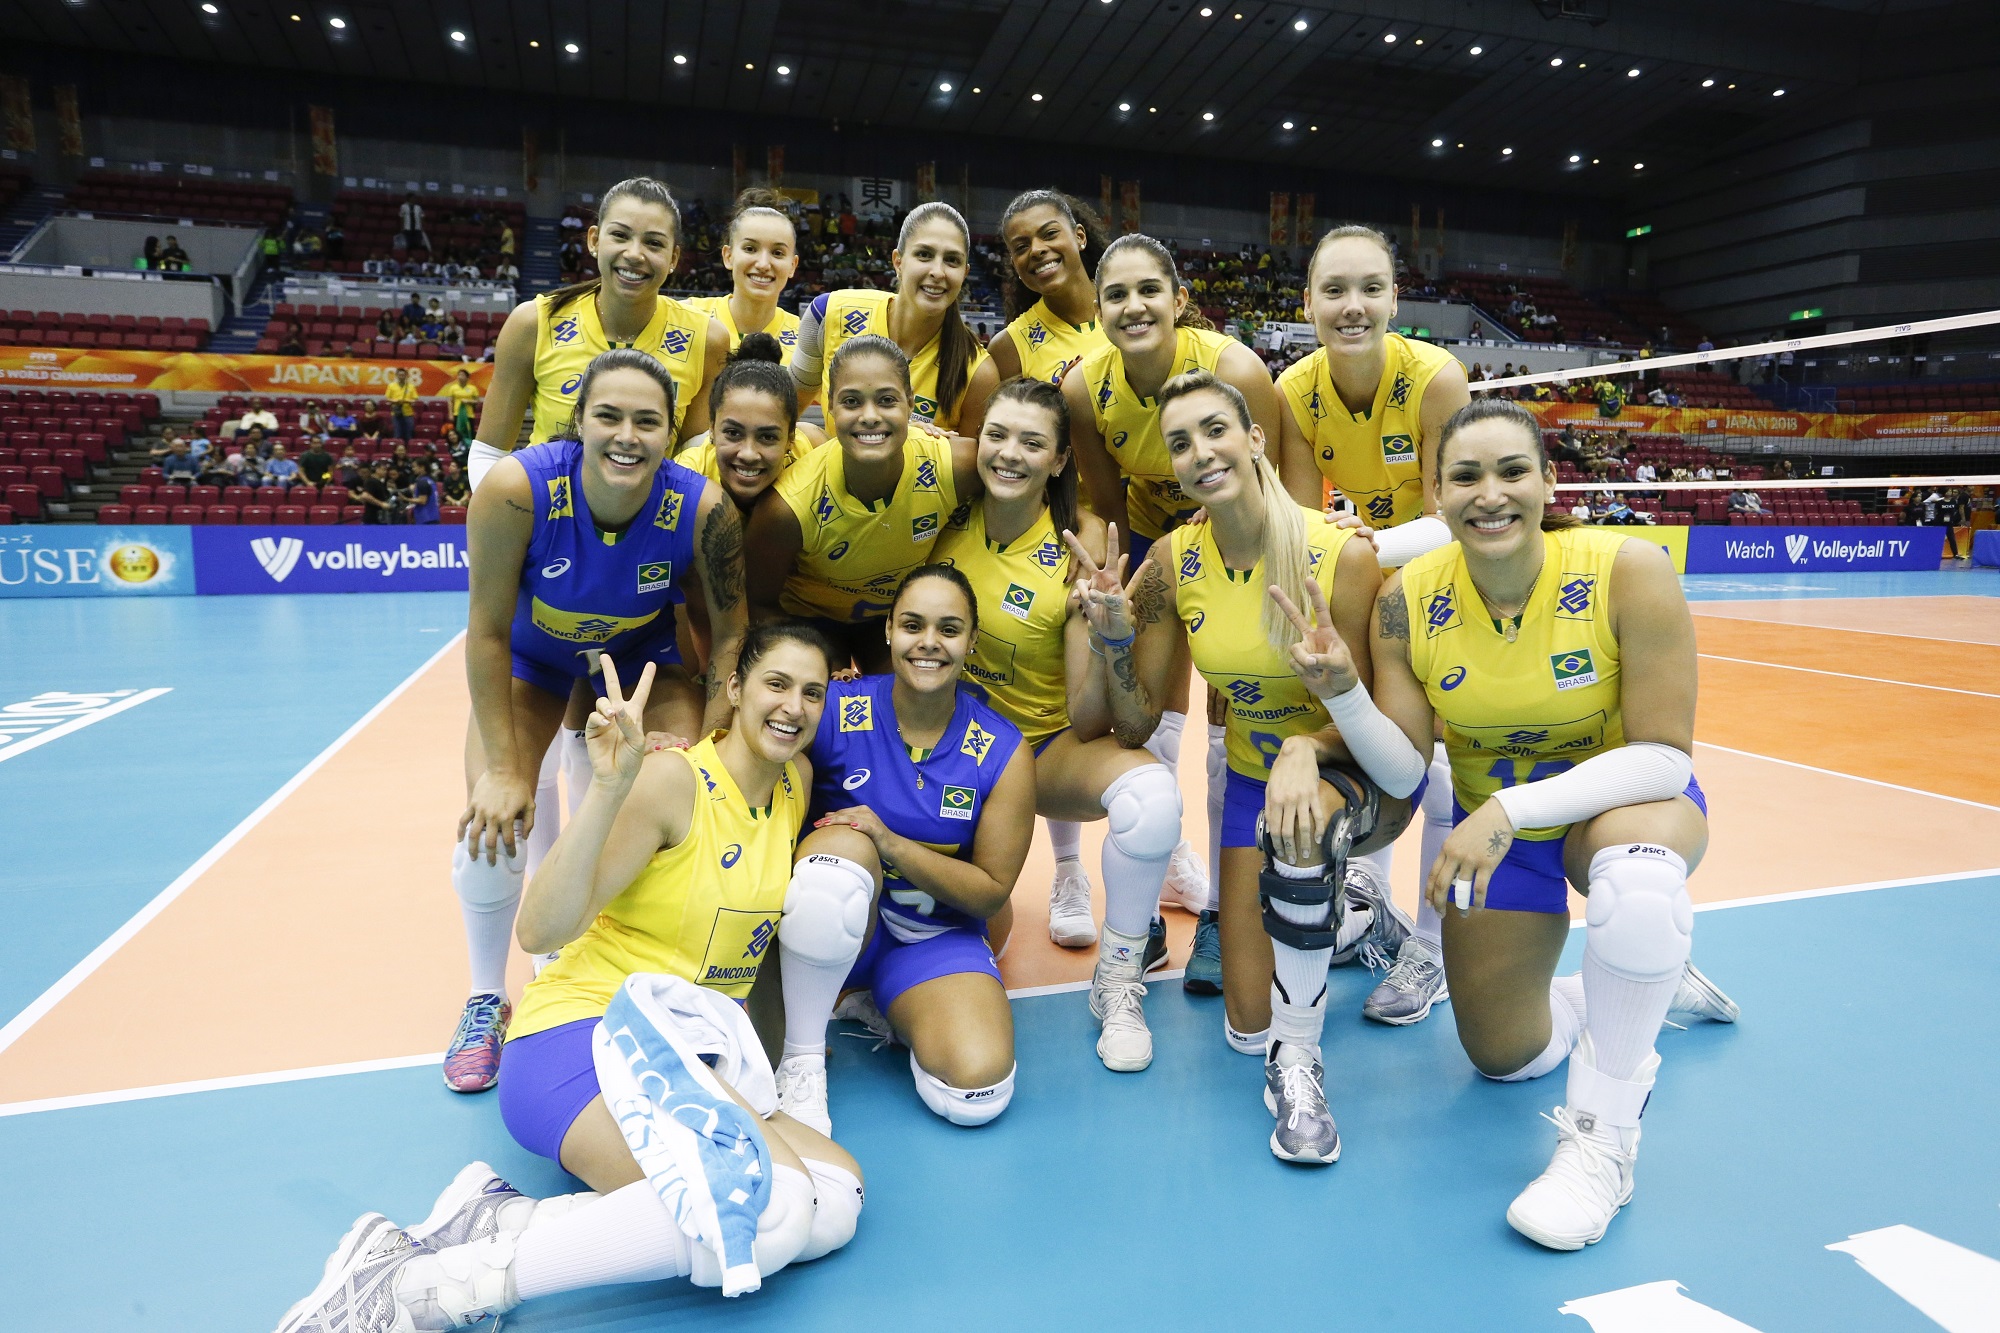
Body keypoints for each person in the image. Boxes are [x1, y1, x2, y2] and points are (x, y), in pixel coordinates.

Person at [276, 635, 862, 1330]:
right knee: (772, 1211)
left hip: (685, 1055)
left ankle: (502, 1219)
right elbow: (539, 930)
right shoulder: (673, 782)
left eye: (812, 691)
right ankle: (420, 1288)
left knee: (835, 1199)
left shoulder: (790, 787)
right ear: (733, 688)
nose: (793, 706)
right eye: (776, 683)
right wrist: (610, 789)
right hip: (583, 1038)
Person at [1305, 397, 1737, 1245]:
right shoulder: (1404, 603)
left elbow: (1664, 758)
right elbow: (1399, 768)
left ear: (1548, 481)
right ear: (1437, 494)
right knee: (1505, 1056)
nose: (1489, 493)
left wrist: (1508, 808)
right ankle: (1642, 981)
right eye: (1465, 475)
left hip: (1615, 804)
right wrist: (1337, 696)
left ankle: (1603, 1142)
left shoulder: (1628, 570)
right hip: (1496, 832)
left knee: (1638, 886)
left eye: (1512, 471)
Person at [1113, 368, 1412, 1163]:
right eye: (1179, 443)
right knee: (1244, 1024)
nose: (1200, 452)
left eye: (1215, 430)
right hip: (1251, 778)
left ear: (1253, 438)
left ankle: (1301, 1061)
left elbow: (1392, 730)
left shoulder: (1338, 555)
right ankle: (1351, 919)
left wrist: (1309, 749)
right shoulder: (1175, 562)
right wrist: (1111, 633)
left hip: (1351, 771)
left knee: (1303, 822)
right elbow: (1133, 705)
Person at [446, 348, 748, 1094]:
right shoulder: (518, 489)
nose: (627, 434)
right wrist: (508, 768)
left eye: (648, 421)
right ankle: (487, 996)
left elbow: (731, 633)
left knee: (668, 790)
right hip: (533, 663)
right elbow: (484, 630)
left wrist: (707, 745)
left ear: (673, 432)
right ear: (578, 420)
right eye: (608, 415)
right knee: (494, 815)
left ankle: (607, 968)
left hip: (642, 664)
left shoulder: (702, 508)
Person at [935, 376, 1186, 1070]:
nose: (1009, 453)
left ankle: (1119, 979)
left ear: (1057, 460)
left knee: (1154, 795)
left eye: (1032, 442)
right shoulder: (941, 515)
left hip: (1041, 750)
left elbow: (1087, 715)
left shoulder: (1080, 549)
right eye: (997, 435)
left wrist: (1110, 636)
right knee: (983, 935)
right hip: (946, 754)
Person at [1061, 233, 1283, 983]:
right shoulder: (1084, 388)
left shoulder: (1236, 369)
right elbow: (1100, 500)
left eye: (1149, 289)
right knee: (1141, 715)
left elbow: (1278, 487)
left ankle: (1222, 914)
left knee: (1235, 718)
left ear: (1181, 300)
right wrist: (1101, 570)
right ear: (1096, 312)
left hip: (1239, 540)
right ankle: (1148, 915)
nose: (1134, 306)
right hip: (1158, 546)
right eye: (1116, 295)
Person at [1273, 224, 1472, 1025]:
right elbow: (1293, 520)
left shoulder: (1436, 379)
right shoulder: (1292, 389)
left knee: (1448, 765)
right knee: (1375, 741)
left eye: (1370, 288)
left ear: (1395, 297)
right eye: (1334, 290)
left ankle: (1433, 947)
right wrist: (1352, 563)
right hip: (1375, 581)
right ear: (1309, 302)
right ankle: (1372, 895)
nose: (1352, 306)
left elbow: (1454, 514)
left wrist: (1364, 549)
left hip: (1450, 576)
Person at [771, 565, 1036, 1134]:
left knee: (978, 1092)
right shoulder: (834, 710)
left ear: (971, 640)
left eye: (949, 629)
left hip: (930, 933)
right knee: (843, 853)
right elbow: (750, 751)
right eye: (913, 625)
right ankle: (803, 1058)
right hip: (824, 923)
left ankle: (881, 996)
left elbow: (990, 893)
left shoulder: (1003, 751)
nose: (929, 643)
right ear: (888, 630)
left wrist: (891, 842)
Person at [473, 178, 726, 495]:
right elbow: (489, 453)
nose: (634, 254)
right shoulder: (532, 323)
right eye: (620, 235)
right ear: (594, 240)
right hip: (548, 529)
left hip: (652, 532)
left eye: (654, 243)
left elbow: (694, 454)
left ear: (674, 258)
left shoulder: (707, 338)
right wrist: (509, 520)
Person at [748, 335, 975, 672]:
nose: (870, 416)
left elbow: (1031, 474)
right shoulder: (785, 510)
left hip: (895, 618)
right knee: (831, 701)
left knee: (914, 691)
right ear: (829, 407)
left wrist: (1078, 520)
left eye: (886, 400)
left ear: (910, 405)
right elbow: (759, 604)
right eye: (852, 401)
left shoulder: (957, 465)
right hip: (810, 621)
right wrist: (807, 659)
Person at [789, 202, 989, 431]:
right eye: (924, 254)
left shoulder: (978, 371)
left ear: (965, 273)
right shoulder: (828, 313)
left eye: (952, 260)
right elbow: (784, 416)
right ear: (898, 262)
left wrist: (920, 443)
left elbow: (972, 460)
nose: (937, 271)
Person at [956, 190, 1110, 440]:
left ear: (1080, 237)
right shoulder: (1009, 348)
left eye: (1049, 234)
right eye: (1021, 246)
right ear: (1015, 264)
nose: (1037, 250)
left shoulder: (1131, 310)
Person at [687, 187, 803, 364]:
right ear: (728, 256)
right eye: (750, 249)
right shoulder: (687, 318)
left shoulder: (806, 341)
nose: (763, 264)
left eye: (778, 253)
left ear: (792, 265)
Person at [440, 367, 482, 441]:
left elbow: (477, 401)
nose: (460, 377)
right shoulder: (453, 388)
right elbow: (450, 401)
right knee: (457, 432)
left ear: (467, 377)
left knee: (470, 432)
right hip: (457, 414)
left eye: (462, 375)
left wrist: (468, 401)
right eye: (459, 375)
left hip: (469, 414)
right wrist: (450, 413)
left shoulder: (472, 388)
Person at [385, 367, 419, 441]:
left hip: (408, 413)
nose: (401, 377)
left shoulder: (411, 386)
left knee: (409, 434)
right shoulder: (391, 386)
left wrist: (406, 401)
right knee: (397, 434)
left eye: (403, 375)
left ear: (406, 376)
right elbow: (388, 398)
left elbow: (415, 399)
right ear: (397, 375)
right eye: (400, 375)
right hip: (396, 413)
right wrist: (395, 401)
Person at [406, 458, 440, 523]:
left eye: (414, 467)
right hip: (434, 516)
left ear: (422, 467)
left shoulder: (422, 482)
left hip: (425, 518)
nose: (413, 469)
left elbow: (422, 501)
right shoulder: (431, 480)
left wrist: (405, 499)